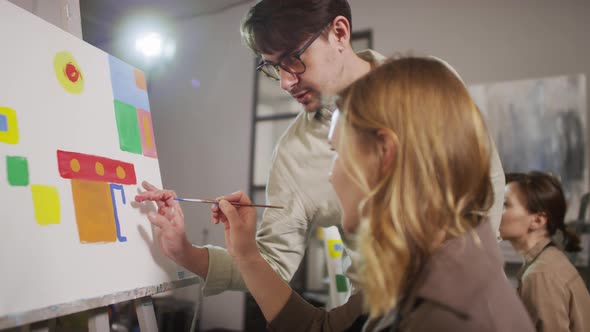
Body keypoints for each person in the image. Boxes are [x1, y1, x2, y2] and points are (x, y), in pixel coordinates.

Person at [134, 0, 504, 315]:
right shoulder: (294, 153)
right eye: (272, 67)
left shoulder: (431, 86)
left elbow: (487, 190)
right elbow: (273, 264)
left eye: (293, 59)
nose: (285, 82)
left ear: (340, 33)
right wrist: (187, 252)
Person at [214, 57, 534, 331]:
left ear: (385, 153)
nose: (332, 175)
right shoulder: (424, 269)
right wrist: (247, 255)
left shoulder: (444, 316)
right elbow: (321, 328)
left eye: (338, 153)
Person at [501, 171, 590, 332]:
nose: (495, 212)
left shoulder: (540, 275)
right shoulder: (547, 260)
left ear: (537, 220)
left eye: (505, 205)